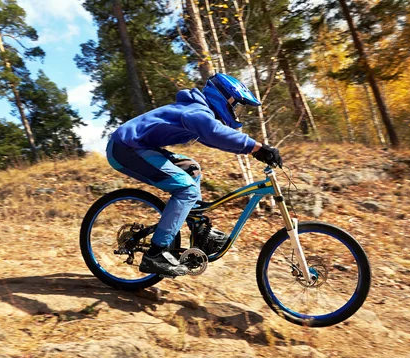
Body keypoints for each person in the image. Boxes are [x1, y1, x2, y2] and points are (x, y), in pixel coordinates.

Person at [106, 73, 282, 277]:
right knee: (187, 189)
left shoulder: (199, 112)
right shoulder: (197, 111)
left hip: (139, 147)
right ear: (223, 98)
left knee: (192, 169)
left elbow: (214, 139)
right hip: (126, 148)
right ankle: (156, 254)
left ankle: (199, 230)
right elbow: (215, 133)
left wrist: (253, 150)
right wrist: (257, 148)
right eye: (236, 106)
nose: (237, 112)